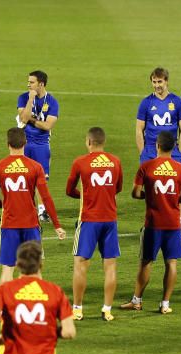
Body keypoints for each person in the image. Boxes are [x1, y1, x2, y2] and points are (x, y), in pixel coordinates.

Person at [120, 131, 181, 314]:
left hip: (153, 224)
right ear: (175, 147)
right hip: (173, 225)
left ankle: (137, 301)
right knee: (171, 263)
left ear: (157, 146)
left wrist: (151, 196)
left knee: (146, 263)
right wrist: (173, 198)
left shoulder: (146, 167)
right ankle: (165, 304)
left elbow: (135, 193)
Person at [0, 128, 65, 284]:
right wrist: (57, 225)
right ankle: (34, 305)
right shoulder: (35, 167)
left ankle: (6, 308)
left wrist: (6, 205)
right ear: (25, 143)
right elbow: (46, 197)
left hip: (9, 223)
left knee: (7, 269)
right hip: (30, 223)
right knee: (34, 269)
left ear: (7, 144)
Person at [66, 127, 123, 322]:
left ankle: (77, 309)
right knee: (110, 266)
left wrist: (85, 195)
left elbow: (69, 189)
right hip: (110, 220)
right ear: (103, 142)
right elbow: (117, 188)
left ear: (89, 142)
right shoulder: (115, 162)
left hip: (88, 220)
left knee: (81, 264)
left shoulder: (80, 163)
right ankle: (107, 309)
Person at [136, 67, 181, 240]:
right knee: (151, 189)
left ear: (166, 81)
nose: (157, 85)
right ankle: (151, 223)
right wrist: (143, 153)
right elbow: (139, 130)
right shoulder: (146, 103)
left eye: (160, 82)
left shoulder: (177, 102)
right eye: (154, 82)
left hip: (173, 152)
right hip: (151, 153)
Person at [16, 70, 60, 222]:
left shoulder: (52, 102)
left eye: (32, 82)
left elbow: (48, 126)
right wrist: (30, 100)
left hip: (41, 145)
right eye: (28, 82)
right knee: (23, 177)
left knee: (42, 179)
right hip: (24, 144)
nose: (28, 84)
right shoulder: (23, 98)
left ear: (41, 84)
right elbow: (23, 118)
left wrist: (32, 120)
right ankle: (26, 208)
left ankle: (42, 210)